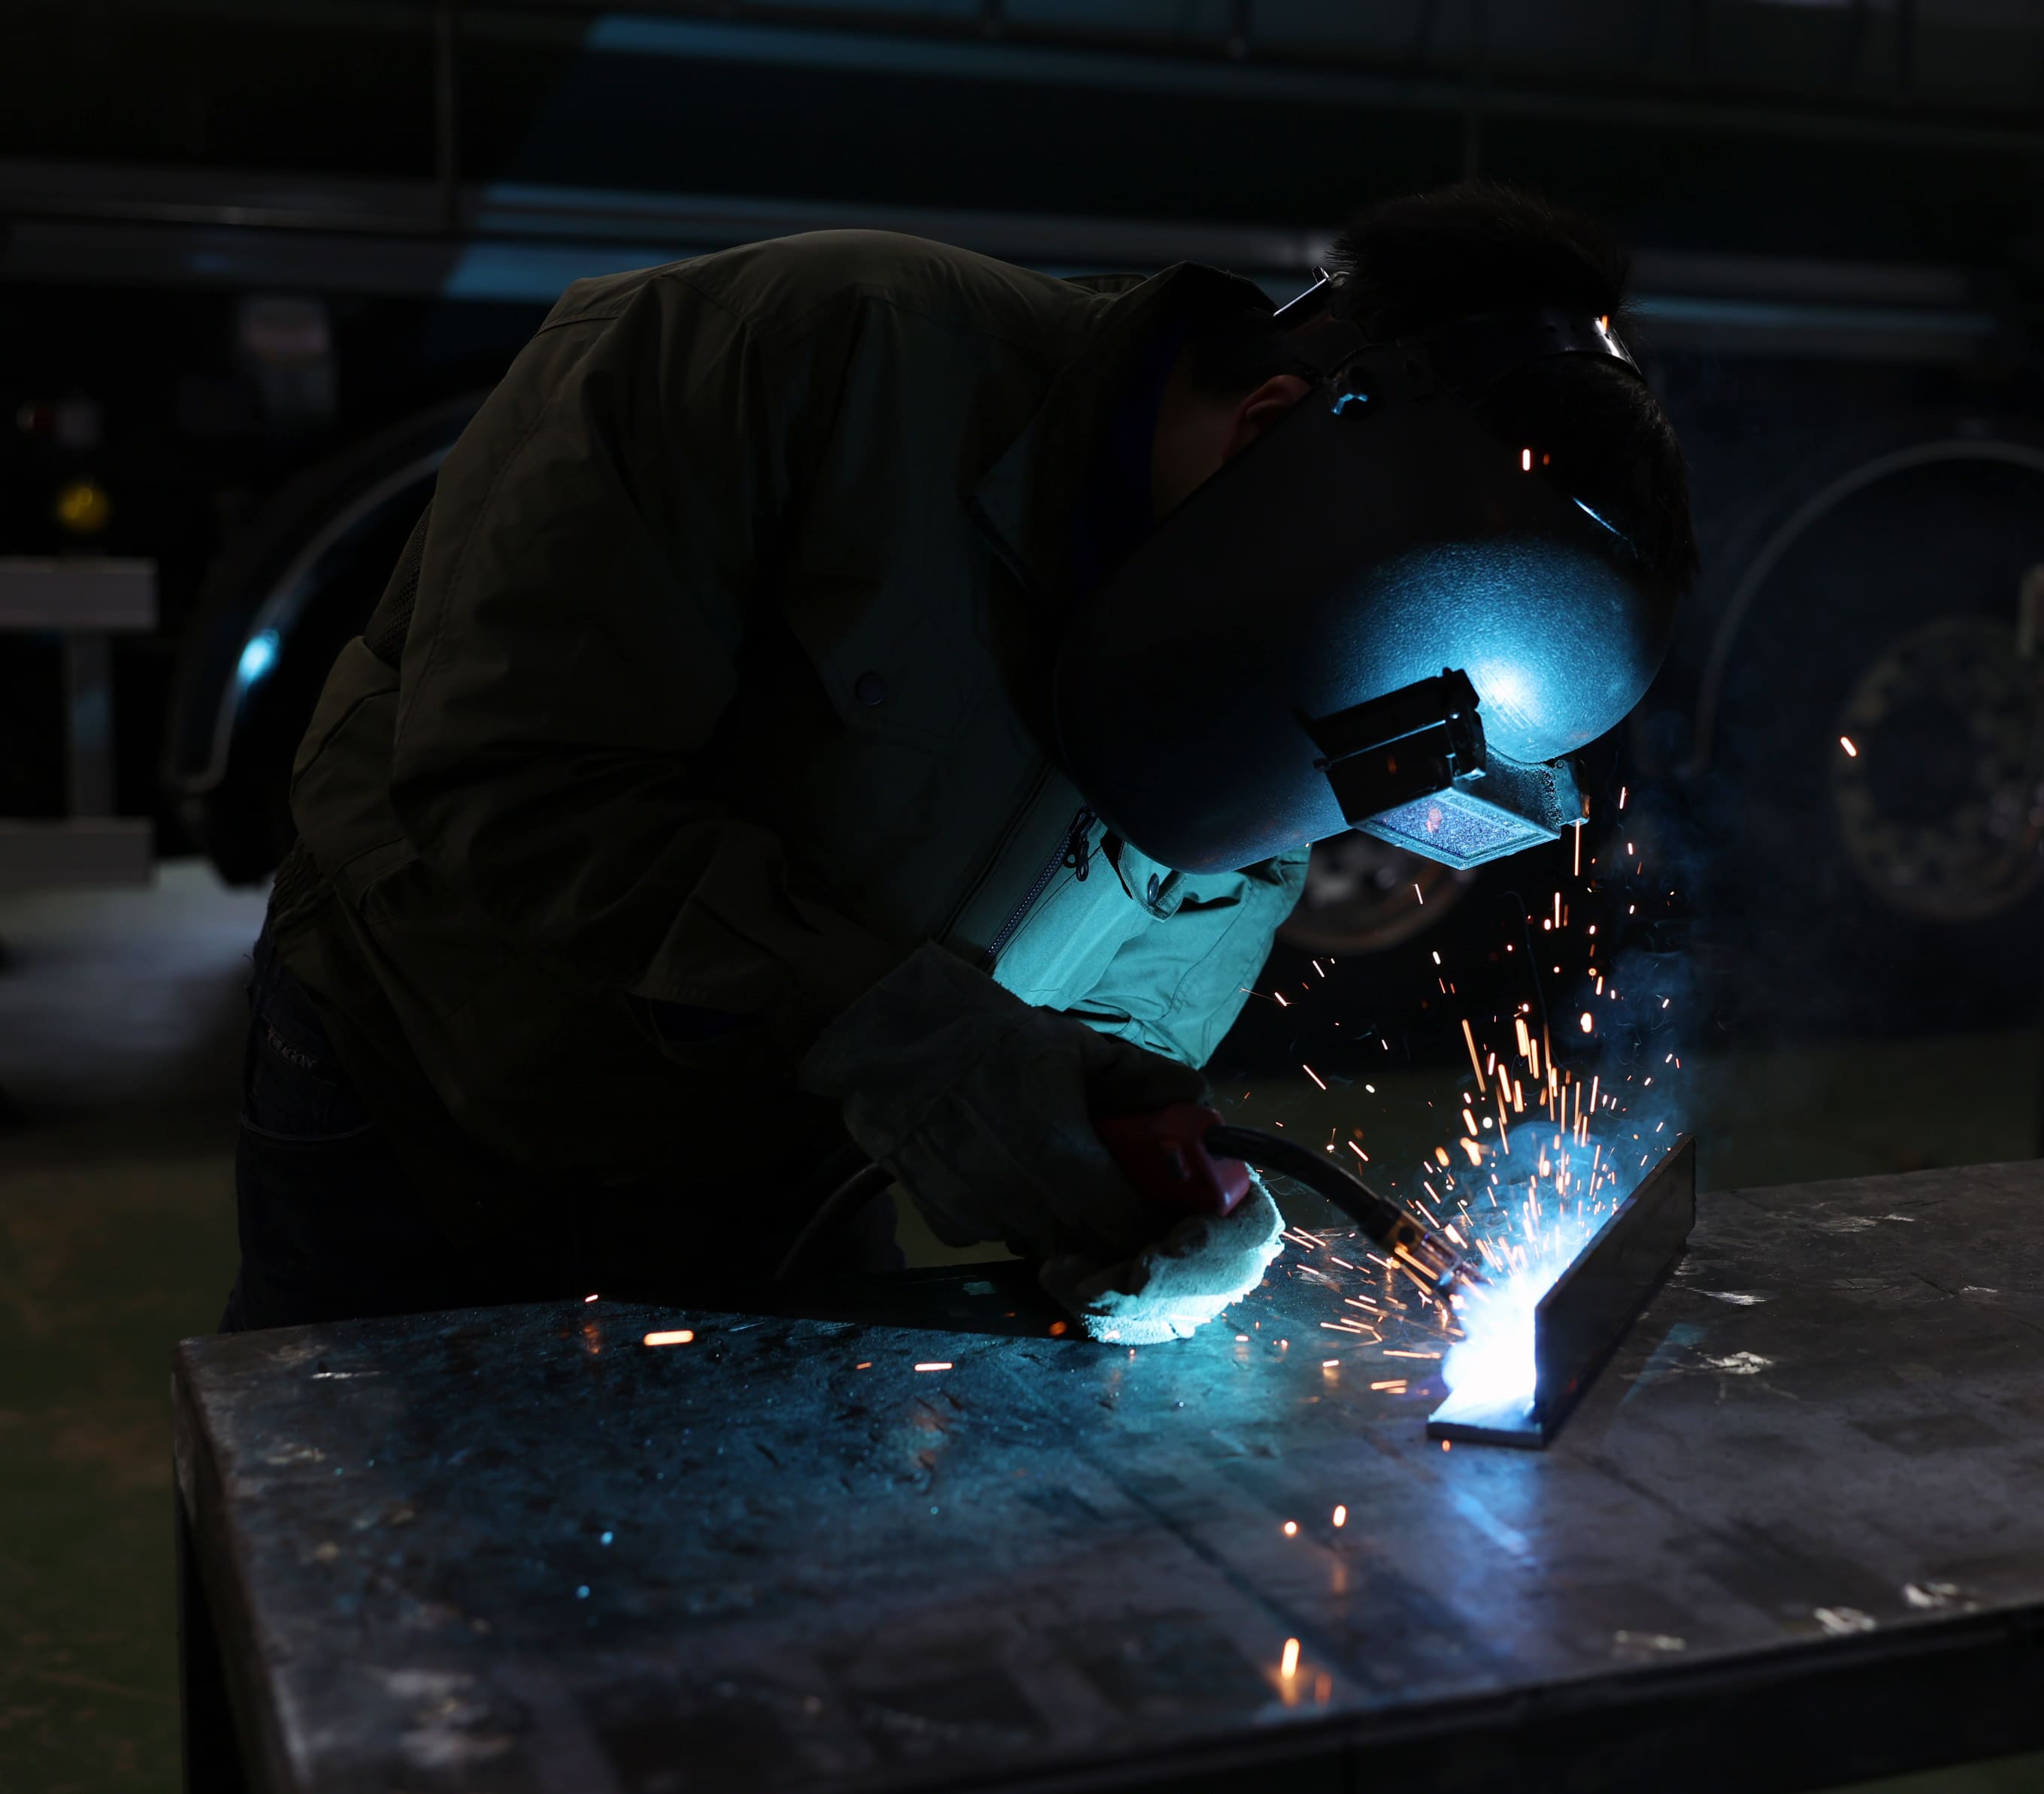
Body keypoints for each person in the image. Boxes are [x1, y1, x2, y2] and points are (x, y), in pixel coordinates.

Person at [226, 182, 1697, 1340]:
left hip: (789, 1158)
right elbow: (515, 786)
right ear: (1264, 430)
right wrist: (899, 1034)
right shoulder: (804, 353)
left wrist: (1111, 1174)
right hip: (431, 1091)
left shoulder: (1287, 684)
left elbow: (1111, 1013)